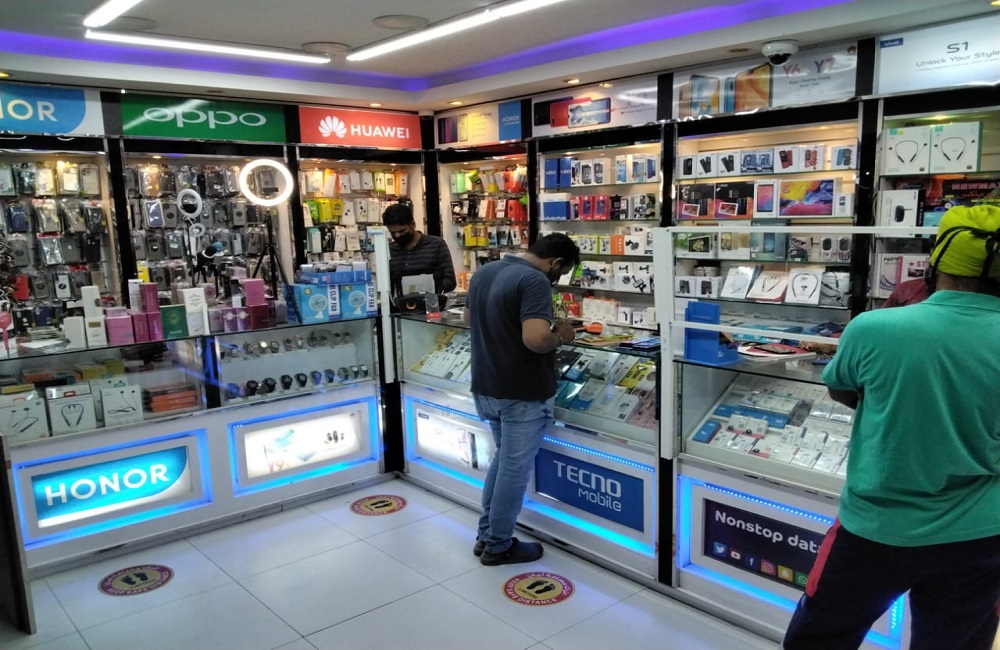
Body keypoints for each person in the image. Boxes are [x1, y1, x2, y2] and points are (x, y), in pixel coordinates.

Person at [783, 204, 1000, 650]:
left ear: (936, 260)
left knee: (819, 638)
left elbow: (842, 389)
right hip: (981, 532)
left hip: (877, 526)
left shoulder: (875, 328)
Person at [464, 233, 580, 566]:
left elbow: (468, 320)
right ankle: (498, 545)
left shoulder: (485, 271)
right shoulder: (534, 281)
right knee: (514, 470)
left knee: (502, 462)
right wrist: (561, 335)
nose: (557, 279)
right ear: (555, 263)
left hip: (486, 385)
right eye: (561, 272)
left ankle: (486, 535)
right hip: (521, 392)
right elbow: (536, 339)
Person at [382, 203, 456, 296]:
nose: (397, 236)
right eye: (392, 232)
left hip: (430, 301)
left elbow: (450, 281)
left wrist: (429, 286)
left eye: (402, 231)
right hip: (398, 303)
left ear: (413, 224)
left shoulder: (437, 245)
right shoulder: (389, 250)